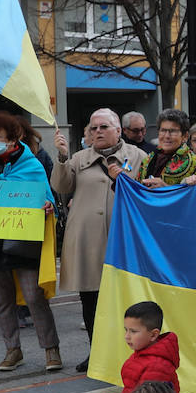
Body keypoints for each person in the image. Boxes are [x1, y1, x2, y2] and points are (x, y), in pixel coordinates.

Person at [52, 108, 146, 372]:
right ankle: (96, 352)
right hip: (88, 240)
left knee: (125, 300)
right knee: (90, 300)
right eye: (93, 128)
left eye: (104, 127)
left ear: (118, 130)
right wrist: (61, 157)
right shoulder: (79, 158)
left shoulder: (137, 157)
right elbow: (61, 186)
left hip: (124, 239)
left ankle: (128, 353)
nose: (98, 132)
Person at [0, 111, 60, 372]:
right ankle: (12, 349)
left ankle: (51, 348)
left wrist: (47, 205)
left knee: (34, 297)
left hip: (24, 241)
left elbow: (49, 199)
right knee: (3, 300)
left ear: (13, 139)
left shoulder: (32, 165)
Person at [138, 109, 196, 186]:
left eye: (173, 131)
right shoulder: (148, 159)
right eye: (163, 130)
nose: (167, 136)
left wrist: (166, 188)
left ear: (185, 136)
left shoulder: (195, 163)